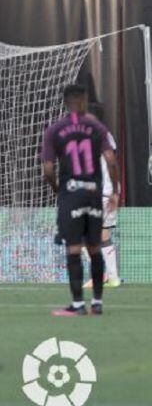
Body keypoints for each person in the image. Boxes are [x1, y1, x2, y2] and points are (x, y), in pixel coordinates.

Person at [41, 84, 118, 316]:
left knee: (74, 248)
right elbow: (111, 159)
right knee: (95, 247)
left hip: (71, 193)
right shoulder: (97, 128)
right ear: (84, 101)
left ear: (65, 102)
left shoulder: (54, 130)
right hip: (95, 192)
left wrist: (58, 190)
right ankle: (97, 303)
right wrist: (115, 191)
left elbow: (47, 168)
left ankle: (77, 305)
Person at [83, 104, 121, 289]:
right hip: (101, 191)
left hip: (103, 192)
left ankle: (102, 275)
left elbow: (111, 163)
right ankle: (111, 277)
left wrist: (114, 192)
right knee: (102, 235)